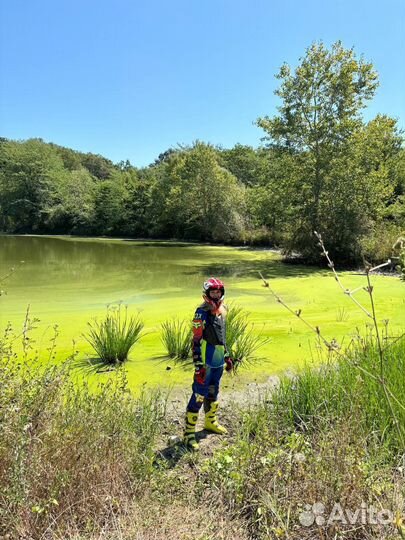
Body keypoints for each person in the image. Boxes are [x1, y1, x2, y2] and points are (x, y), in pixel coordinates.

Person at [183, 277, 235, 451]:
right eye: (213, 291)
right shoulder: (201, 313)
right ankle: (189, 433)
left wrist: (227, 357)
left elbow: (222, 337)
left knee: (214, 391)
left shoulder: (223, 311)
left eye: (218, 291)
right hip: (205, 362)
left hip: (218, 361)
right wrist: (198, 366)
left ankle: (210, 422)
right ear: (206, 293)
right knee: (199, 394)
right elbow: (195, 341)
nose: (216, 294)